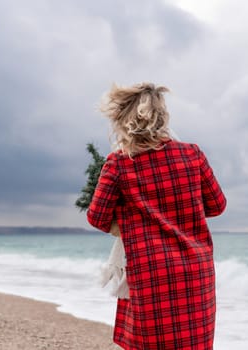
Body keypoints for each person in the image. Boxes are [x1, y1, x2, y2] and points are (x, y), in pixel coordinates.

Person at [87, 82, 226, 349]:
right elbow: (217, 205)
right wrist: (183, 209)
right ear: (162, 117)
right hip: (196, 271)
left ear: (122, 120)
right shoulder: (193, 155)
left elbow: (97, 217)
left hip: (150, 273)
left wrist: (130, 216)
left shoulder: (118, 163)